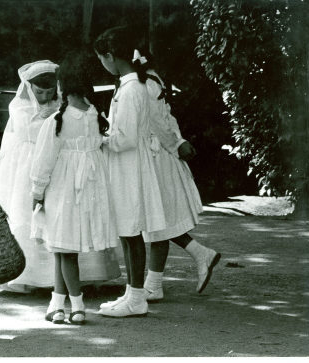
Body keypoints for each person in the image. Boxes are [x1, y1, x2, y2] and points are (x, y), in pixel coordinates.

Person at [0, 60, 120, 293]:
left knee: (63, 219)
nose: (44, 95)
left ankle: (76, 280)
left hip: (60, 164)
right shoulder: (20, 106)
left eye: (49, 91)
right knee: (32, 219)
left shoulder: (62, 107)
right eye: (39, 91)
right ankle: (32, 277)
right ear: (30, 88)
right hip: (28, 163)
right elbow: (27, 130)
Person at [30, 51, 119, 325]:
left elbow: (43, 162)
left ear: (62, 85)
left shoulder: (56, 121)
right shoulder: (93, 115)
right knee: (62, 247)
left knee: (65, 252)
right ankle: (57, 304)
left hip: (63, 192)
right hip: (87, 191)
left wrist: (37, 192)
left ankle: (77, 306)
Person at [94, 26, 168, 317]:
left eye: (102, 58)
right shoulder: (129, 86)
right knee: (128, 233)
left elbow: (122, 139)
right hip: (126, 166)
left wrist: (97, 137)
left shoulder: (131, 89)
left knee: (131, 232)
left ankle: (137, 299)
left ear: (111, 56)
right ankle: (131, 293)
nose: (102, 63)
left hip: (129, 168)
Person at [140, 57, 220, 301]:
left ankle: (154, 284)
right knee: (157, 220)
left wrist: (176, 143)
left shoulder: (147, 83)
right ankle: (197, 256)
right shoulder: (146, 80)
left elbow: (159, 121)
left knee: (158, 219)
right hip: (150, 154)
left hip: (156, 157)